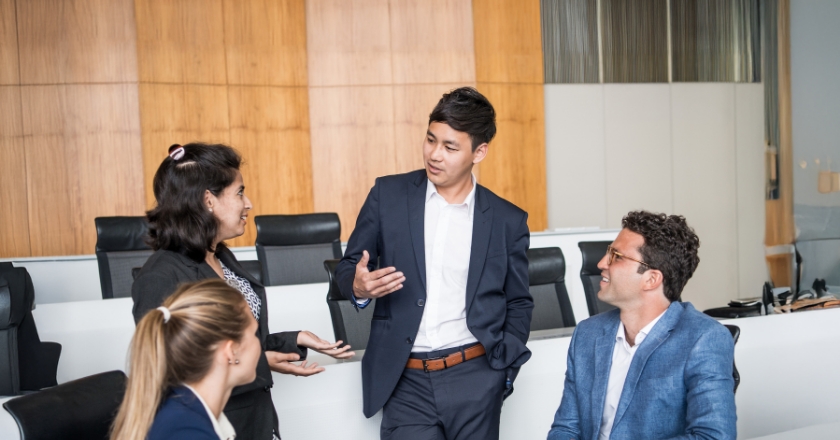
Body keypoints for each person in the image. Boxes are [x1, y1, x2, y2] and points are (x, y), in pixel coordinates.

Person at [335, 87, 533, 439]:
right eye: (430, 140)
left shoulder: (507, 220)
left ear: (479, 152)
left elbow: (518, 301)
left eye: (450, 147)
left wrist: (502, 374)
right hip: (405, 381)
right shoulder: (388, 196)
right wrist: (356, 285)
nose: (434, 155)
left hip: (475, 376)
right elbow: (347, 267)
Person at [132, 143, 354, 440]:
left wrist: (293, 339)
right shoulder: (161, 275)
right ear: (208, 200)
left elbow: (234, 338)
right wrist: (263, 360)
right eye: (239, 192)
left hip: (256, 418)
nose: (247, 203)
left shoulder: (221, 256)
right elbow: (174, 370)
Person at [547, 211, 736, 440]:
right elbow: (566, 429)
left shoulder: (703, 338)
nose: (601, 263)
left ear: (651, 279)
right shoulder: (588, 334)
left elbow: (713, 436)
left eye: (616, 256)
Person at [112, 279, 261, 440]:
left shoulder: (182, 409)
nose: (258, 342)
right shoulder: (188, 432)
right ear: (231, 351)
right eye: (254, 333)